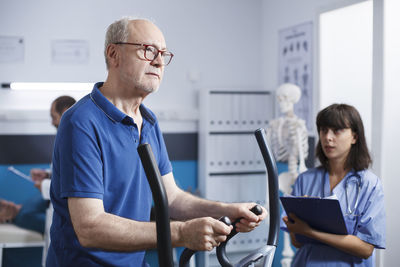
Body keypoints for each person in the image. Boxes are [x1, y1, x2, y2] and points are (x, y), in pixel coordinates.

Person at [47, 17, 267, 267]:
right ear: (113, 53)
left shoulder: (148, 122)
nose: (159, 61)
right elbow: (90, 227)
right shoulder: (81, 121)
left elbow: (171, 198)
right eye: (147, 50)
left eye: (163, 53)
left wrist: (226, 210)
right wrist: (181, 233)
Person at [282, 104, 386, 266]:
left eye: (337, 130)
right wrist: (297, 226)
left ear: (354, 137)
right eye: (323, 130)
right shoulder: (305, 180)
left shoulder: (369, 184)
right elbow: (297, 242)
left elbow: (365, 249)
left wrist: (310, 231)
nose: (328, 137)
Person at [0, 96, 76, 234]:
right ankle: (15, 211)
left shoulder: (76, 142)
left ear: (65, 112)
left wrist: (45, 185)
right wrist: (47, 174)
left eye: (54, 117)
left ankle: (15, 213)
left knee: (26, 215)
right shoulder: (65, 139)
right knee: (26, 211)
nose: (52, 122)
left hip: (63, 206)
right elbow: (67, 172)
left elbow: (75, 181)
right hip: (52, 200)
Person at [267, 83, 308, 195]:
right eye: (279, 100)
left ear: (291, 100)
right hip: (277, 169)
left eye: (283, 100)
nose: (281, 104)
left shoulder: (299, 125)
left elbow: (302, 157)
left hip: (296, 170)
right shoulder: (275, 125)